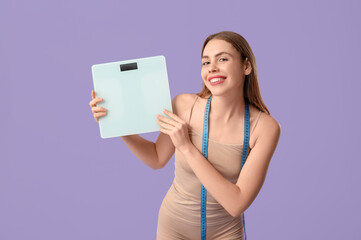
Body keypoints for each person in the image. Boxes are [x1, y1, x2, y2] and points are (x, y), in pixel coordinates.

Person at [89, 31, 281, 240]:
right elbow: (156, 158)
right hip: (174, 227)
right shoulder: (183, 105)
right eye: (206, 62)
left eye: (223, 59)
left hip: (226, 232)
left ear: (246, 66)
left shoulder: (265, 128)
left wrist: (186, 147)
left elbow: (236, 204)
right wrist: (118, 124)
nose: (212, 68)